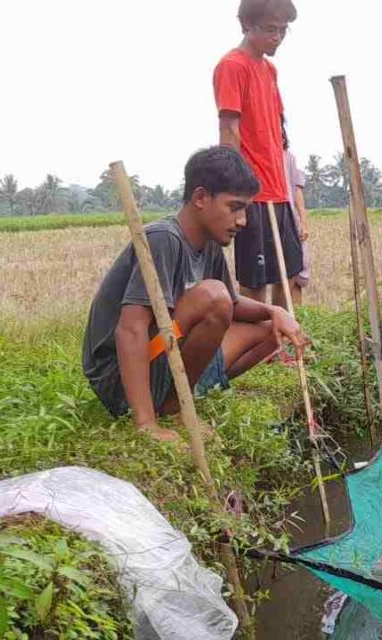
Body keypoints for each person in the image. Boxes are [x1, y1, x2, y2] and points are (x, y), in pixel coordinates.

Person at [82, 147, 309, 442]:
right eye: (234, 207)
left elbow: (235, 305)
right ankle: (172, 409)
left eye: (245, 210)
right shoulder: (164, 239)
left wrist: (275, 312)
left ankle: (174, 398)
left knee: (269, 332)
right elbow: (131, 329)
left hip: (163, 360)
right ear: (201, 198)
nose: (242, 220)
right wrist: (145, 425)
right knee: (212, 296)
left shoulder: (211, 242)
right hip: (120, 380)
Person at [214, 0, 302, 308]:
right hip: (254, 191)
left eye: (282, 29)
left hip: (279, 190)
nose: (277, 36)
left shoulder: (269, 69)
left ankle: (287, 347)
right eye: (269, 29)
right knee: (255, 278)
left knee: (288, 274)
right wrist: (234, 187)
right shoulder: (232, 66)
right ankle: (259, 350)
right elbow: (229, 129)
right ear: (246, 25)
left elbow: (278, 129)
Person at [282, 121, 310, 306]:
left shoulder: (289, 158)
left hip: (290, 219)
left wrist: (303, 222)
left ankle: (298, 320)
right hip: (270, 217)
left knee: (297, 273)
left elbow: (297, 192)